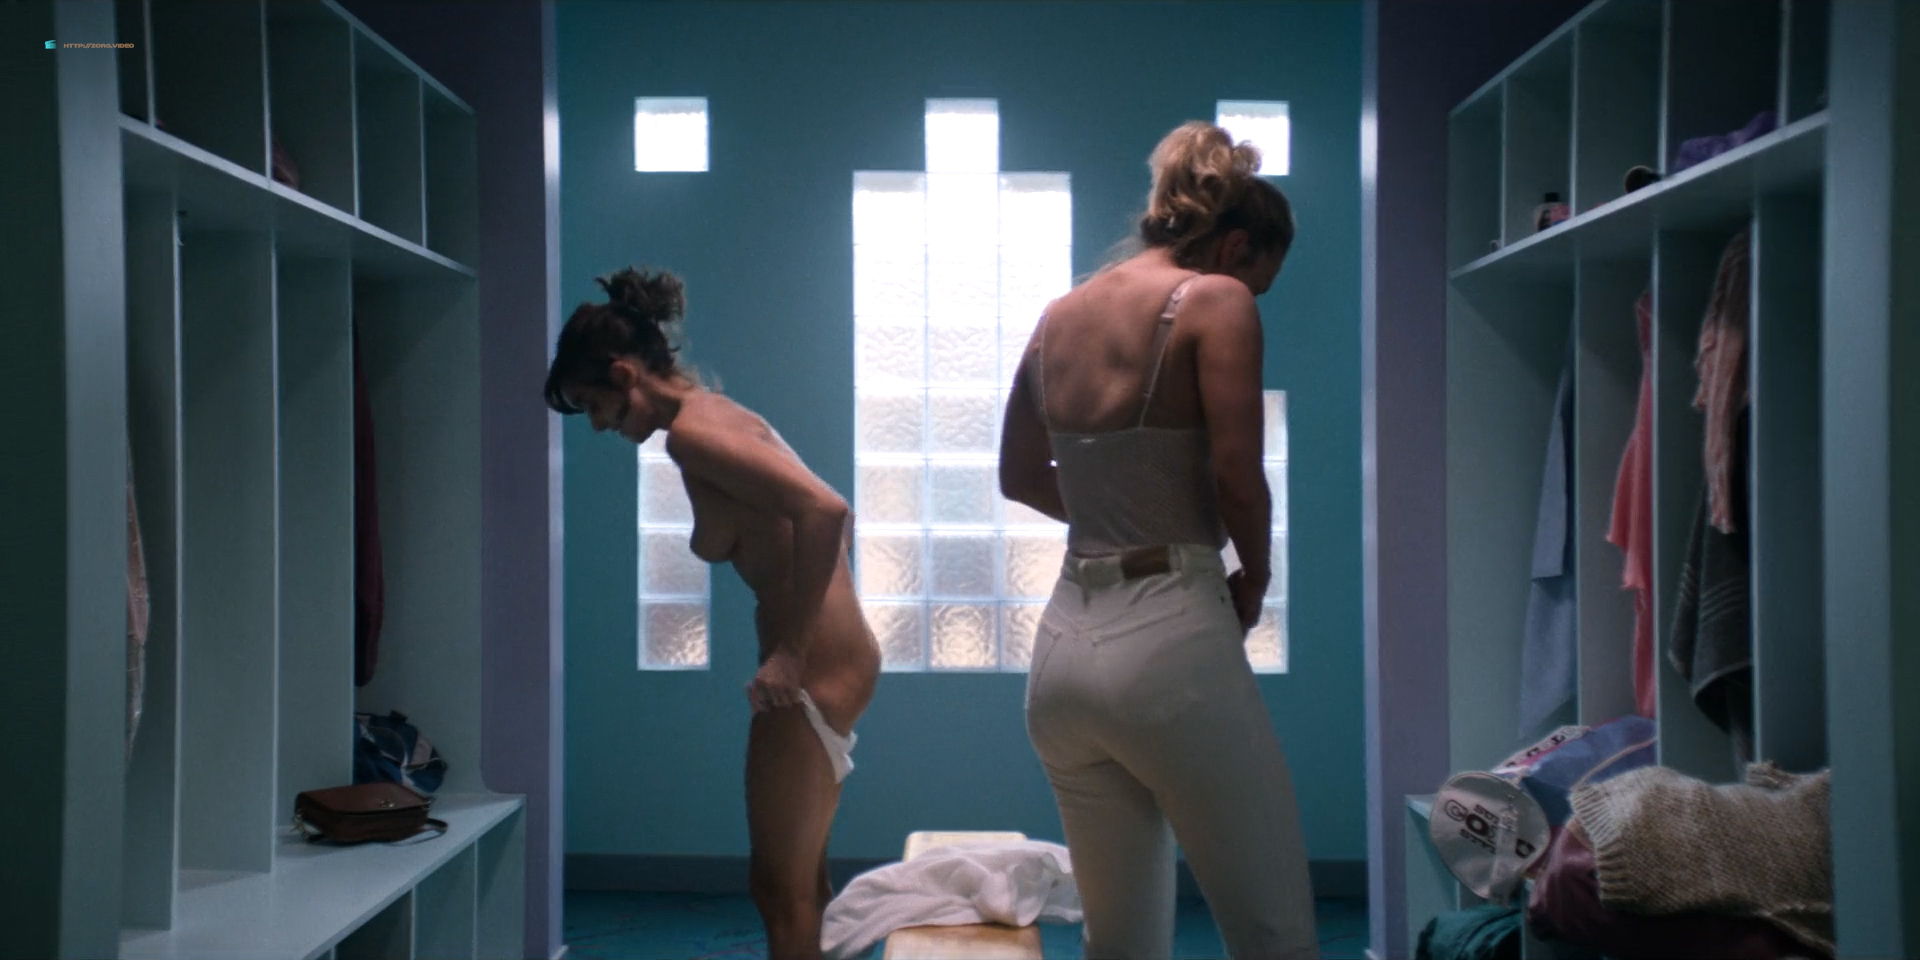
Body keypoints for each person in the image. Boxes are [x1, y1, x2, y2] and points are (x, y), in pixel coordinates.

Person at [997, 121, 1318, 958]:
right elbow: (1237, 475)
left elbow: (1019, 474)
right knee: (1275, 933)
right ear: (1237, 245)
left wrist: (1116, 509)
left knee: (1121, 944)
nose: (1253, 295)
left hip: (1061, 657)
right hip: (1171, 640)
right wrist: (1255, 578)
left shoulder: (1058, 316)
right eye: (1259, 279)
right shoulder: (1215, 300)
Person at [545, 267, 880, 959]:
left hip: (813, 670)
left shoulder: (694, 435)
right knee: (800, 886)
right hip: (835, 657)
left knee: (779, 891)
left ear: (624, 373)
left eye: (594, 405)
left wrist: (789, 651)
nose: (600, 425)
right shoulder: (715, 415)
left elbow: (826, 511)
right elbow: (822, 519)